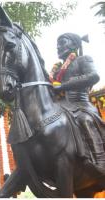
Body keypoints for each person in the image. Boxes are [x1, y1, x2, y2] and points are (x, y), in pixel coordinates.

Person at [51, 33, 105, 166]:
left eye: (62, 42)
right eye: (57, 44)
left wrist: (64, 86)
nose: (58, 47)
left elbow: (93, 76)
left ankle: (101, 161)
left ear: (75, 44)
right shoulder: (57, 70)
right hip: (61, 105)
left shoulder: (83, 60)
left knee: (84, 119)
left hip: (81, 104)